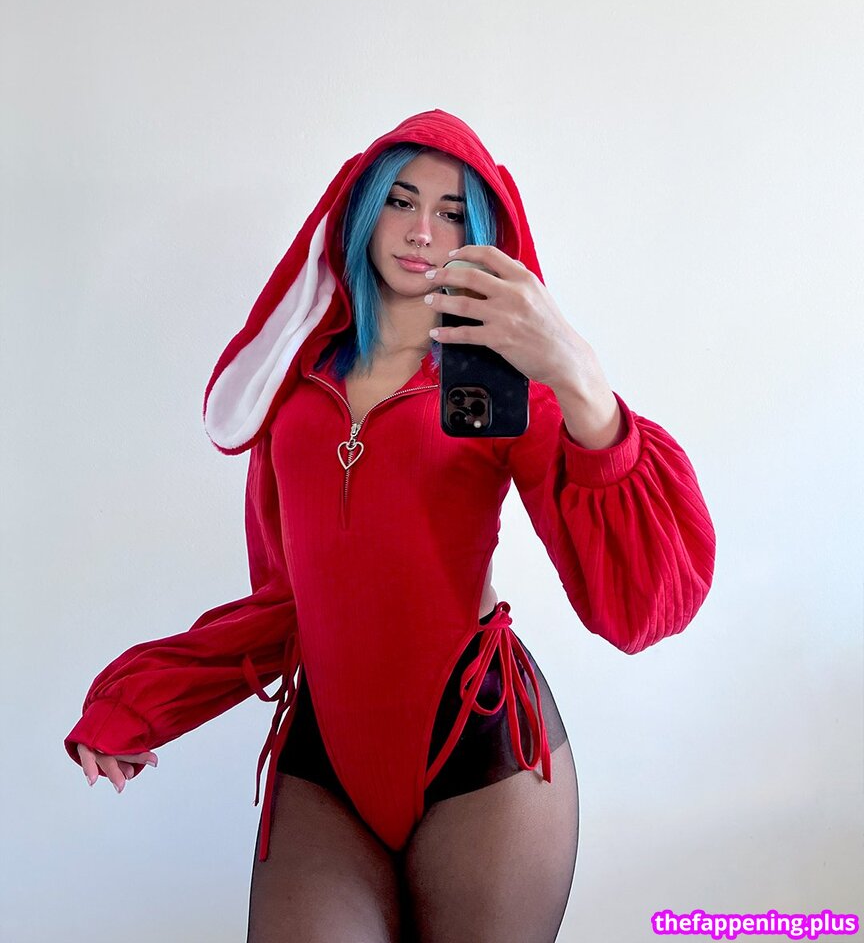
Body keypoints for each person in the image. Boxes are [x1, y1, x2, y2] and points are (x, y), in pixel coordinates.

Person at [65, 109, 716, 942]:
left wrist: (579, 378)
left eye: (451, 212)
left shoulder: (498, 392)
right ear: (364, 210)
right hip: (324, 762)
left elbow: (636, 604)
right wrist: (139, 702)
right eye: (401, 201)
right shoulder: (297, 394)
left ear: (482, 236)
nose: (420, 231)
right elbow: (285, 604)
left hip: (482, 751)